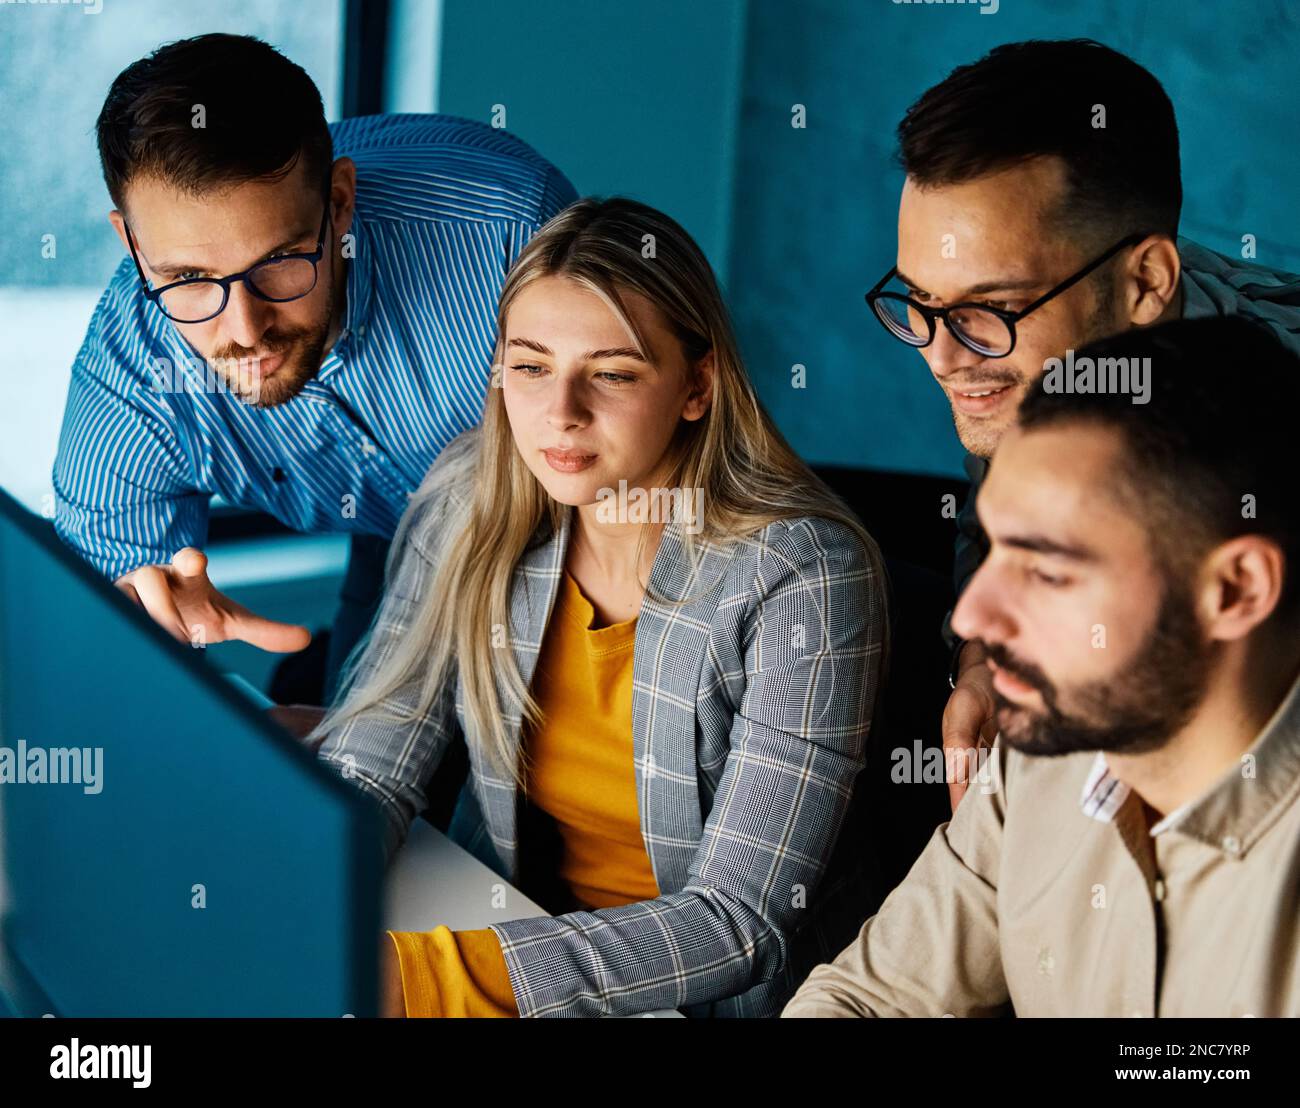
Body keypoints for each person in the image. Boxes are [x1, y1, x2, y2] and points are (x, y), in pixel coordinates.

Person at [311, 198, 887, 1018]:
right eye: (531, 365)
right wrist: (300, 901)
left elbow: (737, 923)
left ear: (698, 386)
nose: (560, 413)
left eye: (612, 373)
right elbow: (374, 762)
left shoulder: (804, 573)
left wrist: (419, 982)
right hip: (501, 924)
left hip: (707, 1000)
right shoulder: (470, 492)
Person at [783, 316, 1300, 1017]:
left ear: (1235, 590)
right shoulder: (1039, 755)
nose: (971, 621)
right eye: (994, 549)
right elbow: (867, 1000)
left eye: (1049, 570)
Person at [53, 33, 575, 701]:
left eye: (279, 261)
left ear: (339, 201)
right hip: (389, 546)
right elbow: (103, 665)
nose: (245, 332)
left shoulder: (513, 238)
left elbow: (638, 491)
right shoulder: (129, 377)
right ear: (130, 241)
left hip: (556, 529)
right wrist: (159, 674)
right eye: (188, 276)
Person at [864, 38, 1300, 808]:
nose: (942, 357)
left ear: (1147, 284)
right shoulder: (1055, 353)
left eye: (991, 309)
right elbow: (993, 508)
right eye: (922, 303)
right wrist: (979, 657)